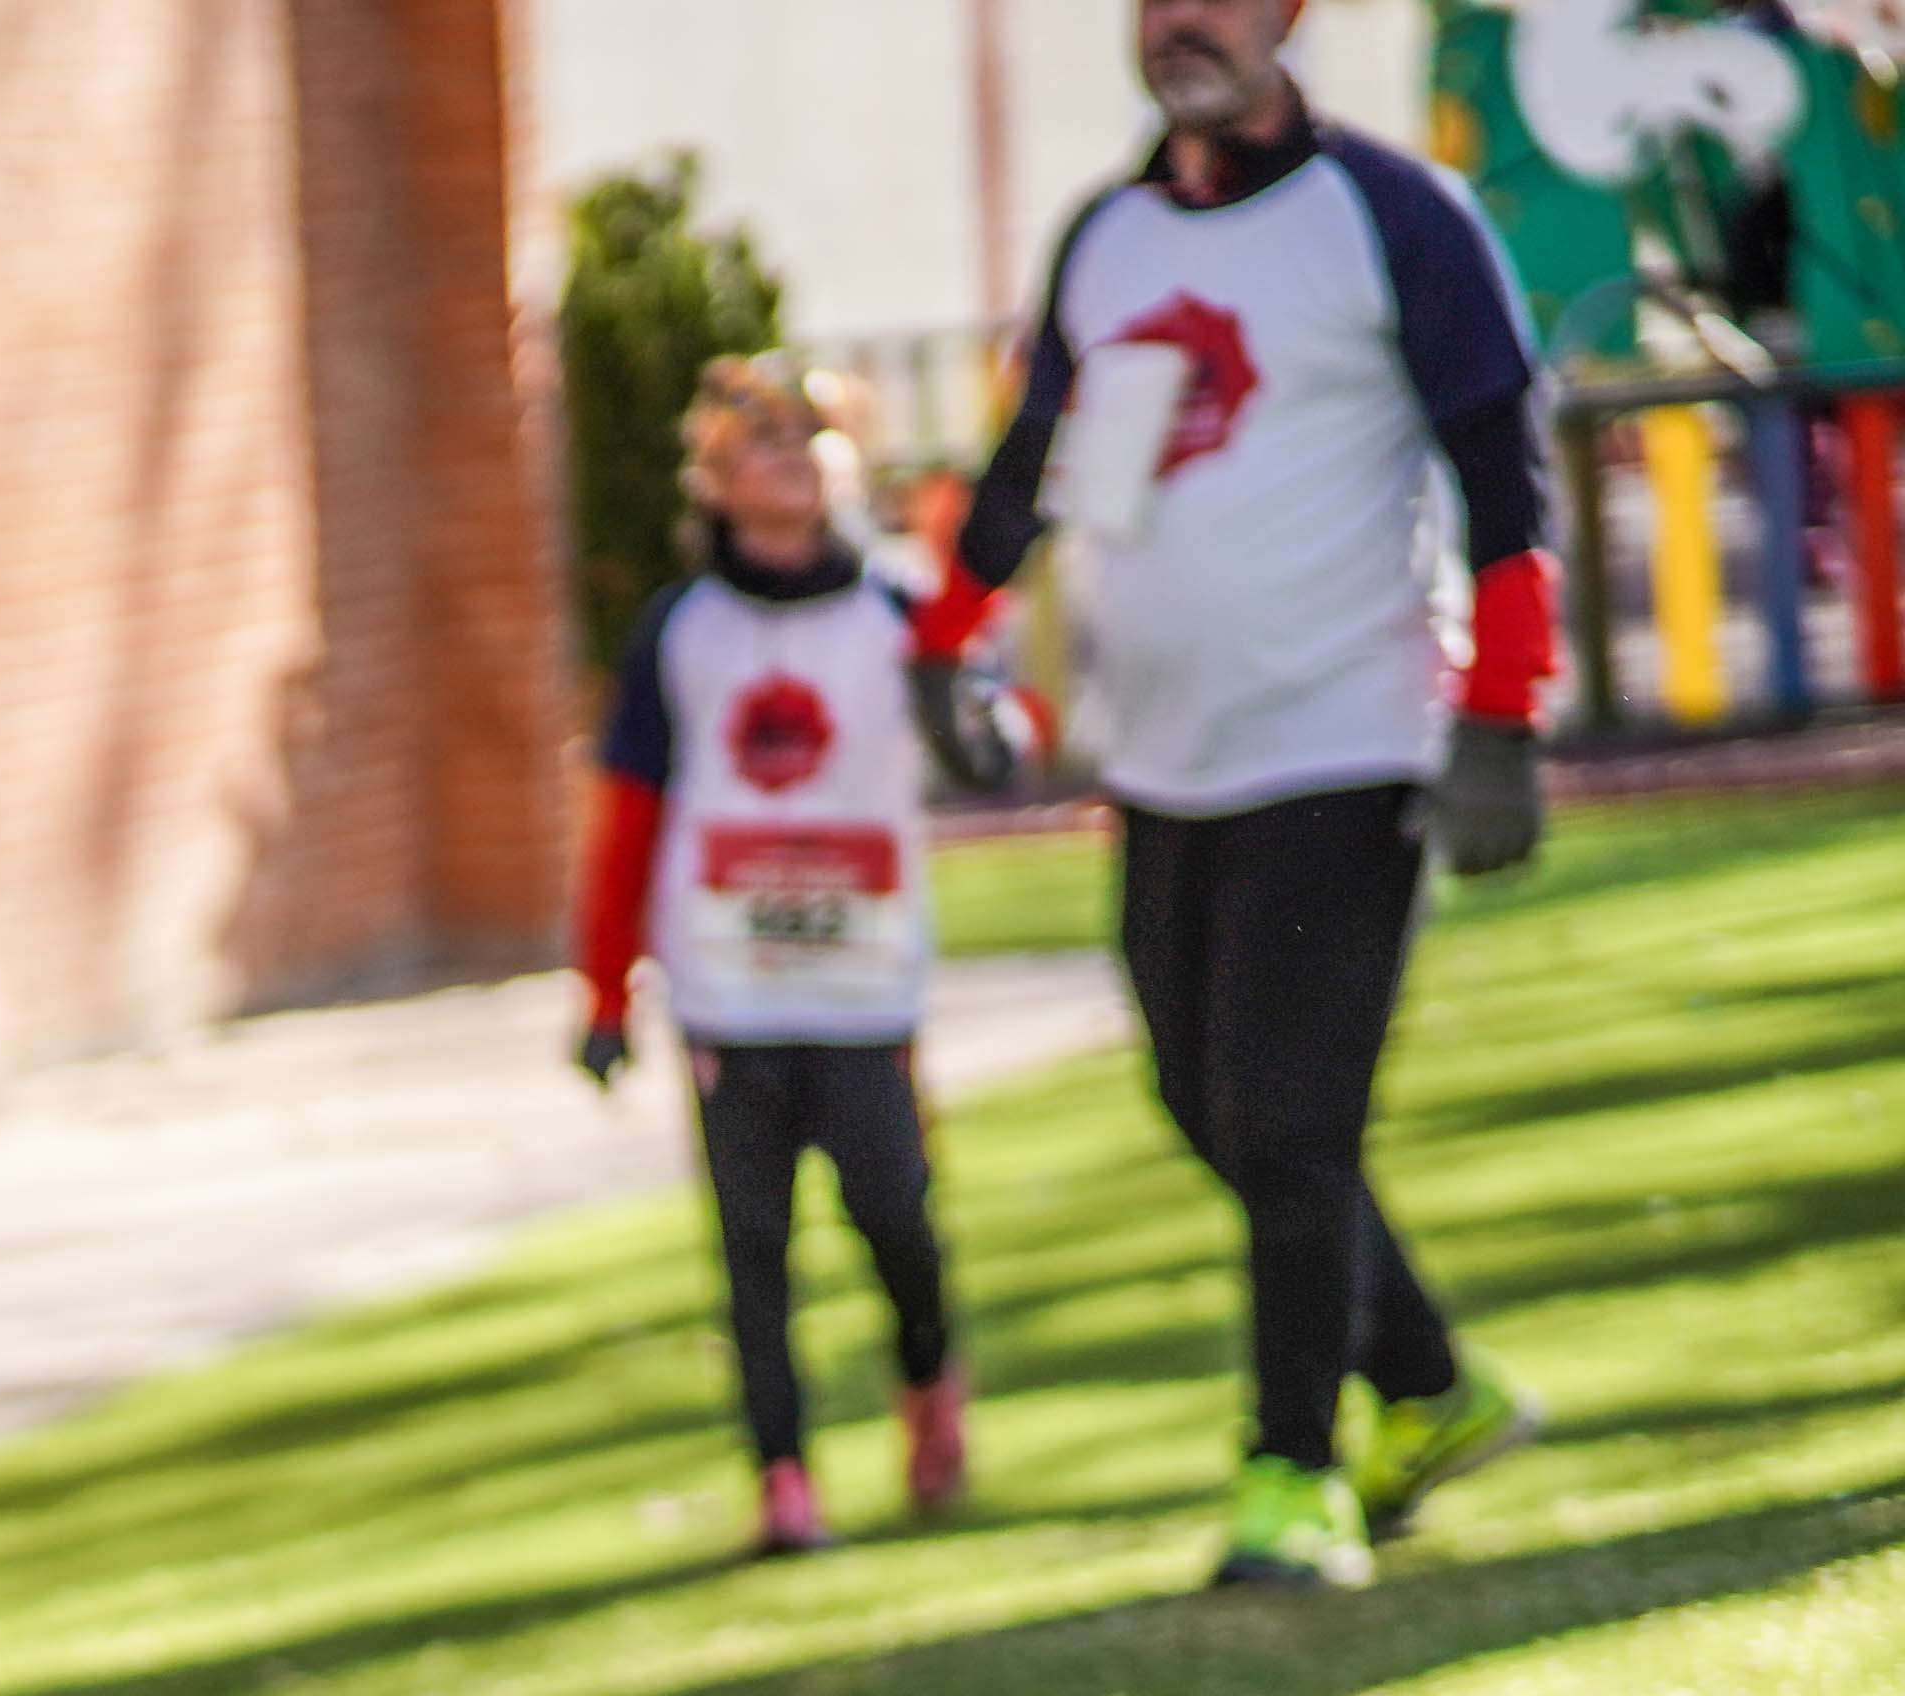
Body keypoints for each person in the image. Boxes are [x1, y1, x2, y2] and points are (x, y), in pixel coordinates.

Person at [920, 0, 1555, 1592]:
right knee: (1209, 1109)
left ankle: (1294, 1476)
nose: (1180, 22)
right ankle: (1426, 1384)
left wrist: (1501, 718)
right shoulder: (1109, 236)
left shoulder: (1392, 217)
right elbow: (1038, 463)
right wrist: (949, 641)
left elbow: (1506, 475)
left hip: (1344, 743)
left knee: (1288, 1119)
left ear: (1291, 17)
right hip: (1162, 764)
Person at [579, 357, 983, 1559]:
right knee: (752, 1244)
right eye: (759, 440)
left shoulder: (901, 613)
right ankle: (784, 1479)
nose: (791, 459)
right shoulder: (681, 631)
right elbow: (628, 817)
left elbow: (991, 728)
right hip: (727, 984)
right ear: (713, 476)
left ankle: (929, 1385)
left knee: (897, 1221)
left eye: (814, 436)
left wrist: (990, 722)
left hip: (865, 983)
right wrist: (605, 989)